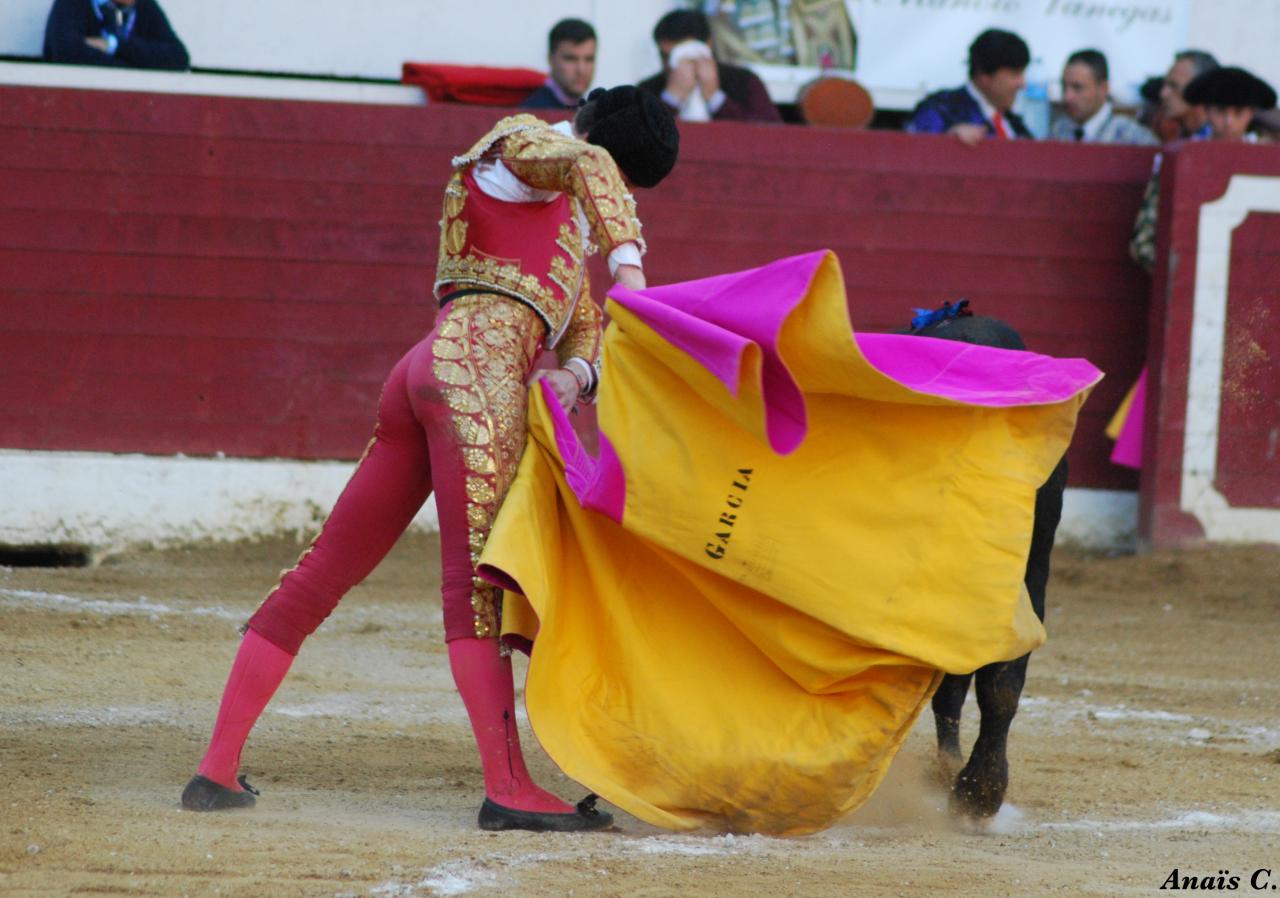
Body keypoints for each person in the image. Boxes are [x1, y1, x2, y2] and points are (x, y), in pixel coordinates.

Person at [179, 86, 680, 833]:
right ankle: (507, 786)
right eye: (625, 181)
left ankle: (216, 770)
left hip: (430, 370)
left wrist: (576, 376)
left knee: (325, 569)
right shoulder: (523, 145)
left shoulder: (567, 211)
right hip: (475, 375)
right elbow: (585, 164)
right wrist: (632, 271)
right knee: (475, 588)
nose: (621, 196)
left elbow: (582, 328)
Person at [637, 10, 782, 124]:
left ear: (707, 45)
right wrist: (670, 100)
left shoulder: (744, 82)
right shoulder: (647, 91)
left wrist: (716, 99)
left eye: (683, 56)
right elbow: (635, 137)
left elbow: (771, 134)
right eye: (665, 56)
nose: (673, 65)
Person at [905, 29, 1032, 146]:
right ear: (984, 75)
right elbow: (916, 149)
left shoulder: (1015, 124)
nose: (1022, 84)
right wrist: (947, 139)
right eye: (1015, 74)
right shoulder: (940, 109)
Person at [43, 0, 189, 71]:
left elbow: (178, 58)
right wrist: (137, 63)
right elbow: (66, 52)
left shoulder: (145, 7)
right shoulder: (73, 3)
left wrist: (113, 46)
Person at [1050, 49, 1156, 145]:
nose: (1067, 97)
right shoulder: (1057, 132)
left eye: (1078, 88)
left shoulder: (1131, 137)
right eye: (1064, 87)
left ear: (1103, 88)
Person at [521, 18, 596, 110]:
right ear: (550, 59)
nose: (581, 70)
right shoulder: (532, 112)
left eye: (589, 59)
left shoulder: (595, 109)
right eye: (570, 59)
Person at [1157, 49, 1219, 142]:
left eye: (1174, 86)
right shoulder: (1182, 138)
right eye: (1165, 84)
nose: (1163, 94)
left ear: (1201, 90)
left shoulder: (1215, 144)